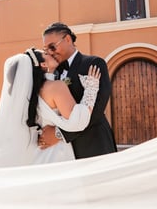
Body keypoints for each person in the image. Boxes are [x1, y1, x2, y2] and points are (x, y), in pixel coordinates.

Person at [0, 47, 101, 166]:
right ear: (43, 64)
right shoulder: (56, 87)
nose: (51, 53)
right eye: (46, 54)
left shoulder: (28, 95)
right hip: (56, 153)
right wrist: (91, 88)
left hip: (35, 152)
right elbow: (77, 121)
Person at [39, 22, 118, 159]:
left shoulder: (93, 63)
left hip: (93, 144)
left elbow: (98, 107)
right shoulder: (53, 71)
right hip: (63, 152)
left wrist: (60, 134)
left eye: (52, 47)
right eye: (46, 50)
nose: (50, 53)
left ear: (68, 39)